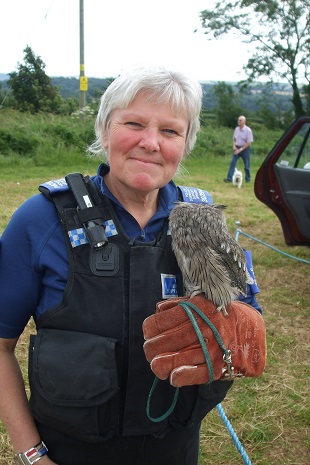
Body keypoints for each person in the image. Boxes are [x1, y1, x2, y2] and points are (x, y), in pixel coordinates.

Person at [0, 66, 263, 465]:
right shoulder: (41, 220)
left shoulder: (203, 219)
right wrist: (32, 455)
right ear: (104, 131)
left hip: (174, 447)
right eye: (134, 123)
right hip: (69, 450)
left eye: (171, 131)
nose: (151, 142)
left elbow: (243, 318)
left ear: (185, 144)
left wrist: (242, 327)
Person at [224, 115, 253, 183]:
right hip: (237, 147)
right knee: (233, 163)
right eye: (238, 120)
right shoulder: (236, 129)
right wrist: (234, 146)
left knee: (246, 165)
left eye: (240, 120)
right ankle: (229, 178)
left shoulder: (248, 130)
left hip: (245, 149)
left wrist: (240, 150)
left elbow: (249, 143)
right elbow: (234, 139)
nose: (239, 121)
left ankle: (247, 179)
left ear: (244, 121)